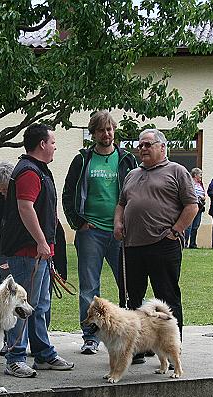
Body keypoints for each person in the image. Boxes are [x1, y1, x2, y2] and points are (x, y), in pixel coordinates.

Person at [114, 129, 198, 364]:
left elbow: (192, 206)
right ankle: (139, 346)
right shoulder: (132, 174)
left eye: (148, 144)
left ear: (162, 147)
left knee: (167, 298)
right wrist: (118, 222)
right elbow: (121, 204)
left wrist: (175, 231)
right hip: (132, 247)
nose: (142, 148)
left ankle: (172, 349)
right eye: (140, 145)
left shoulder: (177, 171)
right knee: (133, 298)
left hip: (163, 245)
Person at [0, 123, 74, 378]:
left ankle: (43, 354)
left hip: (40, 252)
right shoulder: (29, 172)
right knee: (21, 304)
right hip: (25, 252)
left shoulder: (40, 171)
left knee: (40, 304)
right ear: (42, 144)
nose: (55, 147)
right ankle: (15, 357)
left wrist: (48, 246)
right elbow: (25, 208)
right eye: (53, 142)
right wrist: (42, 241)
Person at [63, 110, 137, 355]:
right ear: (93, 133)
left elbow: (136, 191)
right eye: (102, 130)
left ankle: (129, 335)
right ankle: (91, 337)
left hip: (120, 232)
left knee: (127, 283)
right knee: (89, 287)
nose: (107, 134)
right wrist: (78, 222)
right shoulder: (83, 160)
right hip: (90, 234)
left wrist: (129, 223)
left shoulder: (126, 159)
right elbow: (68, 194)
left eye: (110, 129)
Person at [184, 167, 206, 249]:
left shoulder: (200, 184)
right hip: (192, 206)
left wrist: (203, 197)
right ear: (195, 175)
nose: (201, 176)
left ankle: (192, 244)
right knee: (189, 226)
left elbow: (203, 193)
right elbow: (189, 193)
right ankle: (185, 243)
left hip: (199, 207)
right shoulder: (190, 183)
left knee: (195, 226)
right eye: (200, 175)